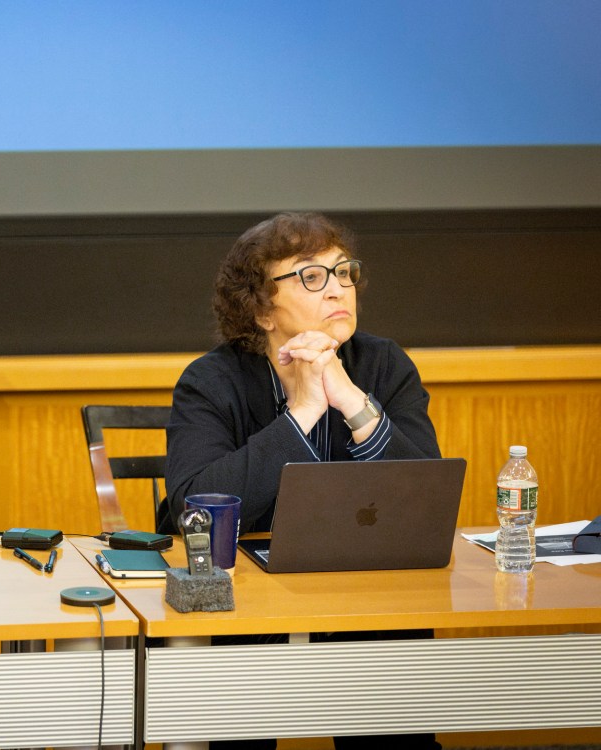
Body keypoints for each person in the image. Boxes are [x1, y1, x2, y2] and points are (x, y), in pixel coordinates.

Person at [164, 212, 442, 750]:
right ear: (262, 310)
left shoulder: (384, 365)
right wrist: (304, 413)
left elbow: (425, 494)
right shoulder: (211, 381)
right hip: (249, 603)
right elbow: (194, 511)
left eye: (344, 272)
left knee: (392, 698)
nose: (338, 287)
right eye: (312, 277)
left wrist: (354, 404)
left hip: (371, 596)